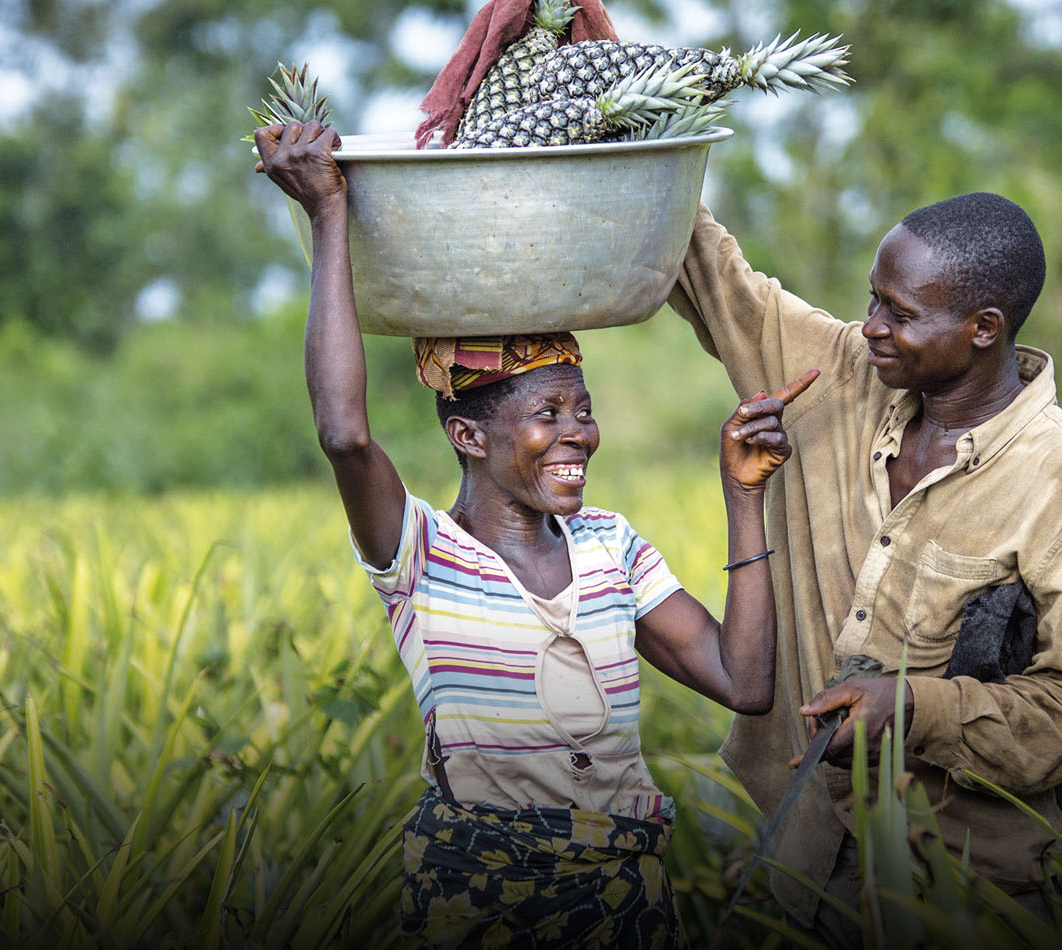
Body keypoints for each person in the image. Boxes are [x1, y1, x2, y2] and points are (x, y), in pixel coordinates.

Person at [253, 119, 819, 947]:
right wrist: (329, 214)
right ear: (469, 436)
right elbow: (345, 435)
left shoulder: (610, 546)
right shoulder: (421, 556)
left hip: (627, 902)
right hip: (481, 905)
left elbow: (743, 682)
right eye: (546, 415)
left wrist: (743, 496)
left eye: (583, 411)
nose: (578, 435)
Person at [666, 193, 1062, 938]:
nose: (872, 328)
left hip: (960, 887)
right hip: (809, 858)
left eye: (902, 314)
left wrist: (912, 708)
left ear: (985, 330)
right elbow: (707, 272)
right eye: (872, 300)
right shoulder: (843, 376)